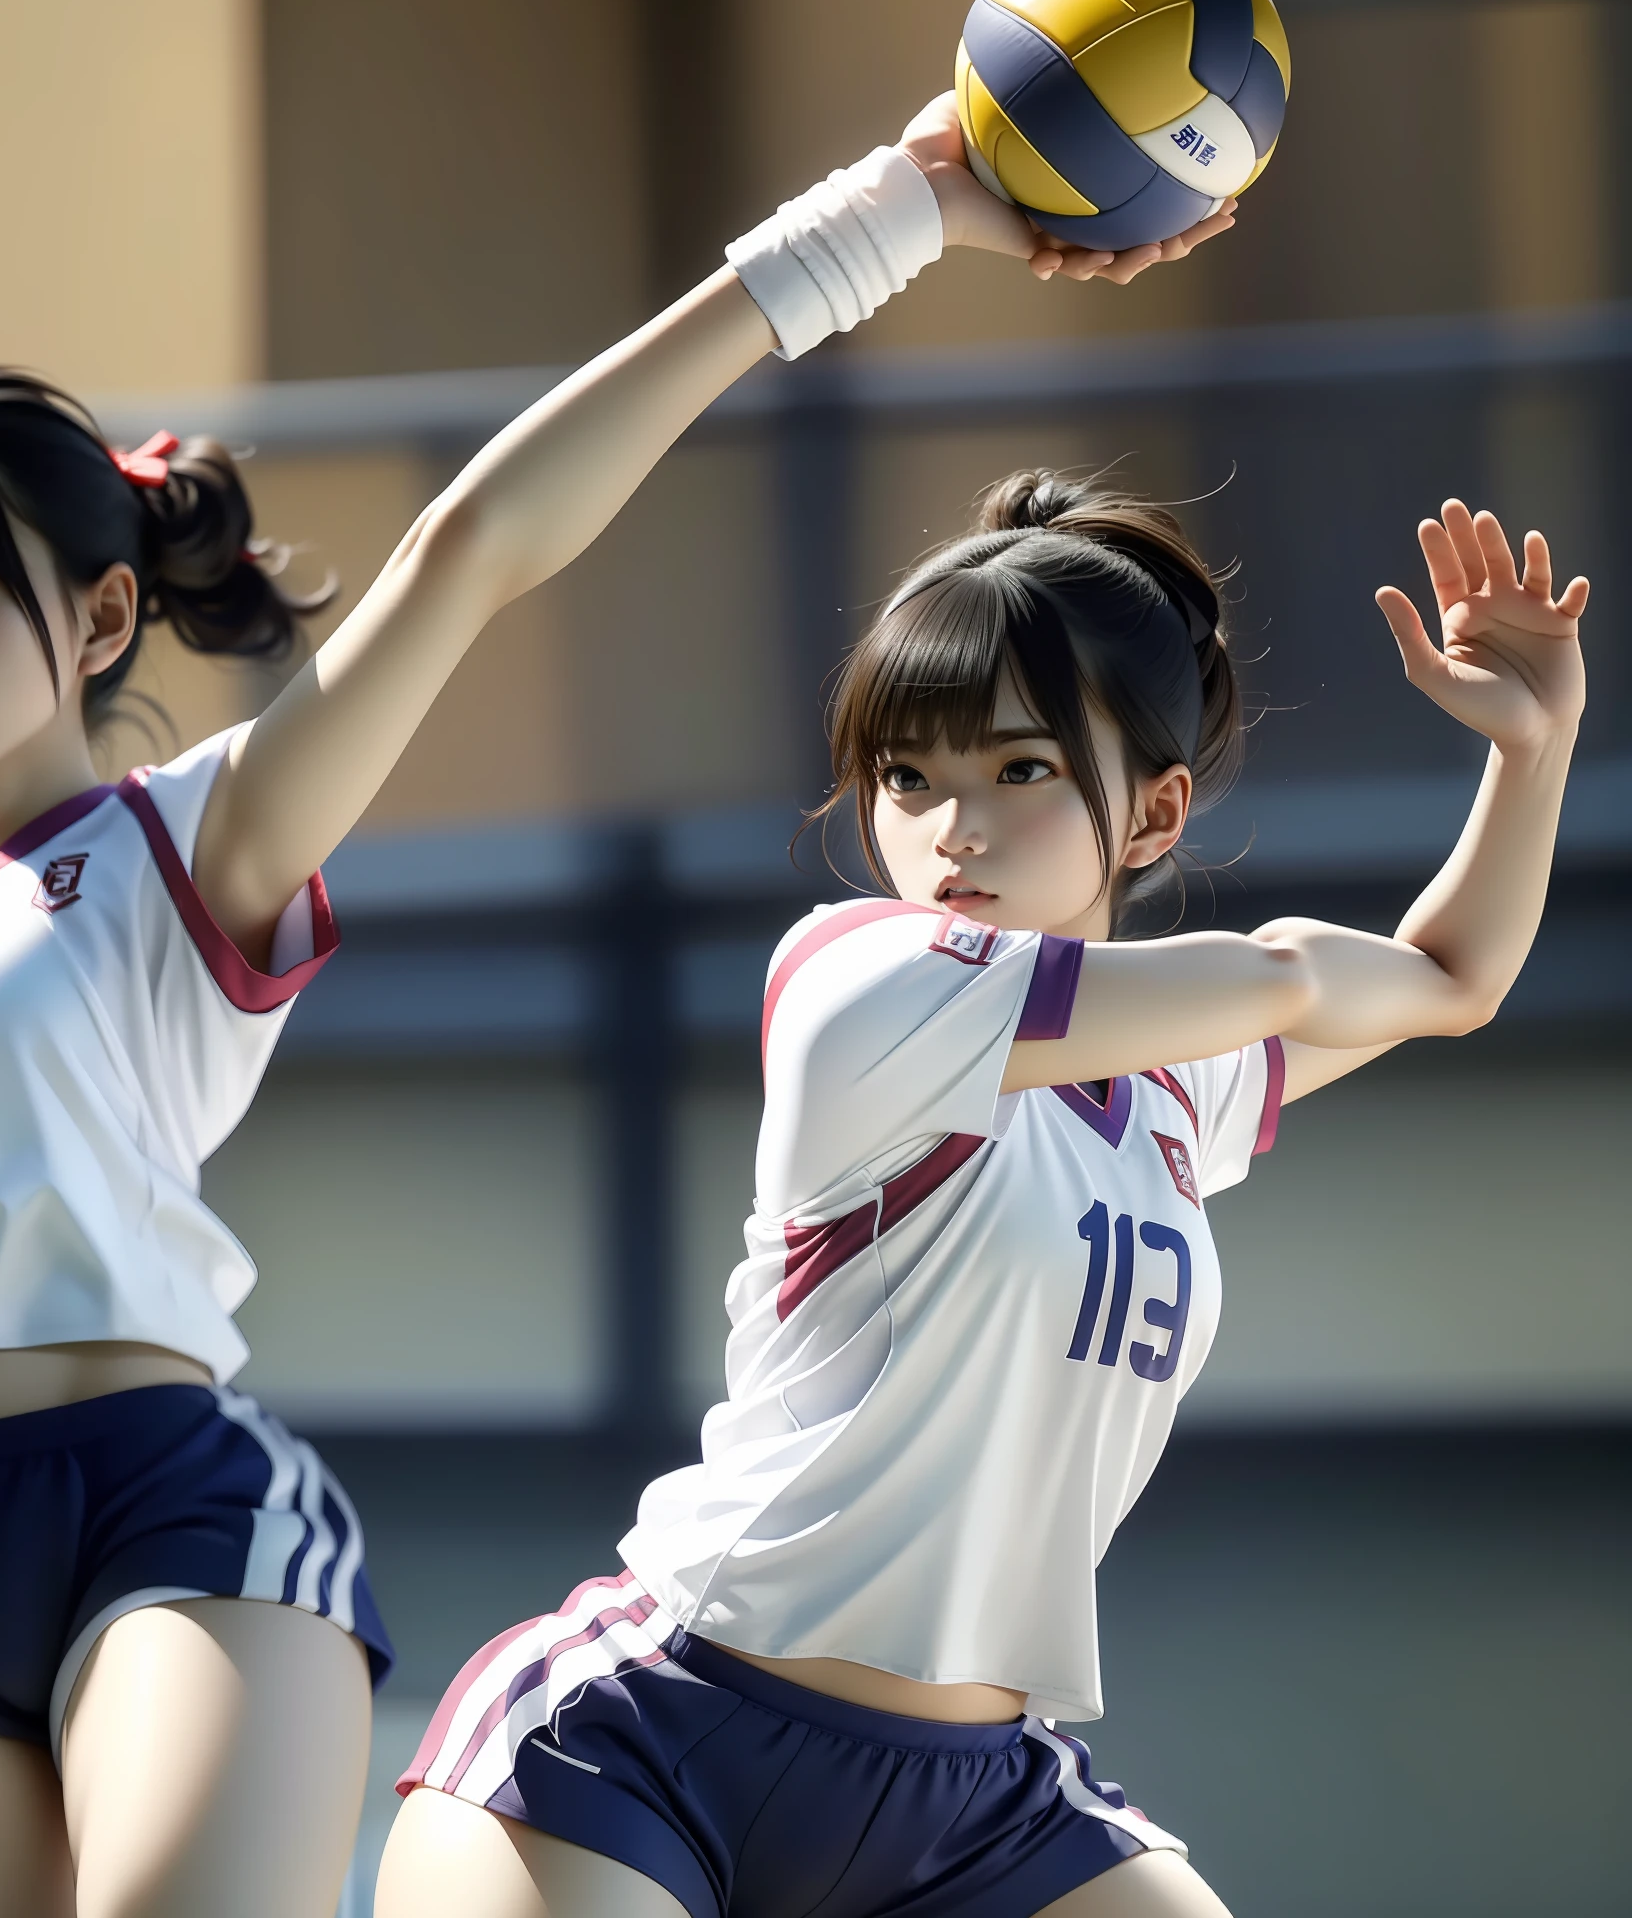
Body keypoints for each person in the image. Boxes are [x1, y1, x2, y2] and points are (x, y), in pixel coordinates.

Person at [0, 92, 1205, 1916]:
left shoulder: (190, 845)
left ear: (103, 618)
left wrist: (896, 212)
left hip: (142, 1498)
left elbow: (474, 548)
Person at [376, 467, 1587, 1903]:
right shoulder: (856, 979)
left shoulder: (1170, 1093)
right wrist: (1308, 974)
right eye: (908, 777)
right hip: (649, 1742)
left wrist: (1537, 746)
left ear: (1154, 814)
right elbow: (1297, 976)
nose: (951, 829)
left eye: (1018, 770)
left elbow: (1455, 982)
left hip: (974, 1801)